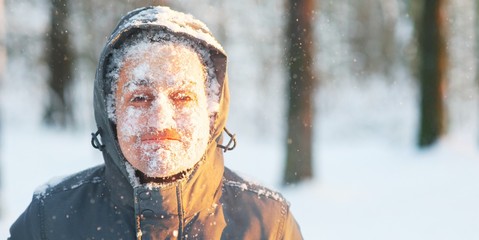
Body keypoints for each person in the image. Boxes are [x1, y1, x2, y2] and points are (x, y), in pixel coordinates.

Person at [9, 6, 303, 239]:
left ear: (212, 112)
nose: (161, 119)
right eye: (139, 98)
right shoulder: (49, 220)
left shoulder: (267, 223)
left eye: (182, 97)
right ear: (111, 112)